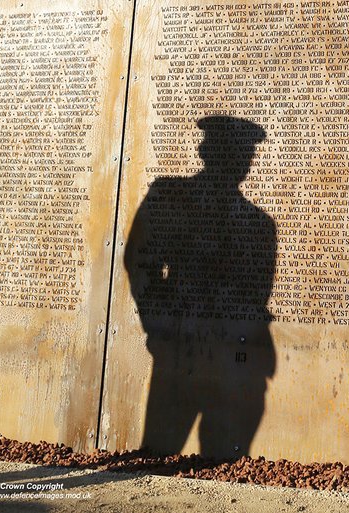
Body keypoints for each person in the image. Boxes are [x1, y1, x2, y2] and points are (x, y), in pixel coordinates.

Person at [124, 116, 276, 458]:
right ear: (205, 151)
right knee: (159, 453)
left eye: (244, 155)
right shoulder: (168, 195)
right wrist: (160, 328)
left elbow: (256, 296)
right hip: (180, 346)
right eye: (231, 153)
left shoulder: (259, 225)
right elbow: (140, 263)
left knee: (222, 463)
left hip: (233, 360)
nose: (239, 163)